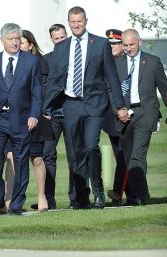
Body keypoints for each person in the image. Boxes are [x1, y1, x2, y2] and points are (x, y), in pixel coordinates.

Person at [43, 6, 128, 209]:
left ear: (86, 20)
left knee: (90, 147)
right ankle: (81, 197)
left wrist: (120, 106)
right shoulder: (62, 47)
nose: (76, 25)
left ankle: (98, 192)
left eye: (79, 21)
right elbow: (55, 79)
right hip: (71, 105)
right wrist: (45, 107)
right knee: (74, 153)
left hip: (95, 105)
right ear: (69, 22)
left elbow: (111, 77)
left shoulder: (99, 44)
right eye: (72, 22)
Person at [0, 23, 42, 216]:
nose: (15, 42)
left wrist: (34, 115)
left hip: (22, 119)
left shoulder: (31, 61)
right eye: (11, 39)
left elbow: (37, 92)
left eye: (17, 39)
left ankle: (16, 203)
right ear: (2, 41)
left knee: (21, 160)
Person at [115, 29, 167, 206]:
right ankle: (140, 194)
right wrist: (118, 109)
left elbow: (164, 89)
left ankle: (136, 197)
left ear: (139, 43)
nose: (128, 48)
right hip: (124, 115)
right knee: (129, 157)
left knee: (138, 155)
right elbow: (110, 89)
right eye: (125, 45)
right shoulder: (116, 63)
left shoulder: (153, 62)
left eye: (132, 44)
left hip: (145, 113)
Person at [16, 29, 54, 212]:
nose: (18, 45)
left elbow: (44, 87)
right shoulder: (13, 62)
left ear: (30, 44)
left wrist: (44, 110)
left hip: (36, 115)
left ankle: (42, 197)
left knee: (37, 158)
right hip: (16, 116)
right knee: (13, 158)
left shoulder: (40, 62)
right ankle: (13, 199)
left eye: (22, 42)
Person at [42, 23, 77, 209]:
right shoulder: (46, 60)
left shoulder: (77, 58)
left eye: (63, 37)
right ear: (52, 40)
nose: (60, 41)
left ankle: (75, 198)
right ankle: (48, 198)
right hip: (52, 116)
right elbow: (43, 88)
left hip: (72, 113)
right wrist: (44, 110)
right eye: (57, 39)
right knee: (48, 156)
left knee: (74, 156)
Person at [104, 28, 129, 205]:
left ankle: (120, 192)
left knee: (126, 154)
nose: (113, 46)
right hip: (111, 116)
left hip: (127, 113)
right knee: (120, 153)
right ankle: (122, 192)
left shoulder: (127, 62)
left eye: (116, 43)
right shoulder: (107, 62)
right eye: (110, 43)